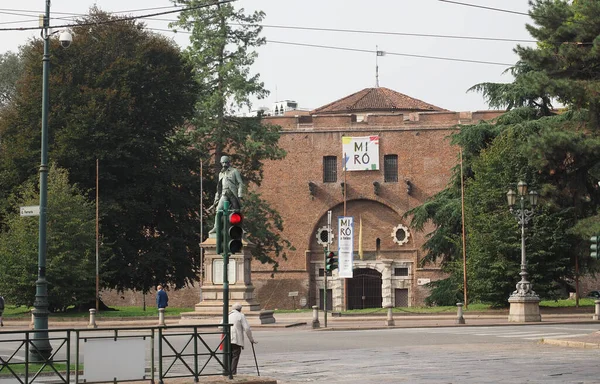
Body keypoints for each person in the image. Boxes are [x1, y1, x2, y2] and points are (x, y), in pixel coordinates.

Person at [209, 155, 244, 234]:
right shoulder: (221, 174)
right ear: (221, 163)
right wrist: (216, 199)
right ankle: (216, 227)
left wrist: (240, 194)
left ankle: (240, 228)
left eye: (226, 162)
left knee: (237, 210)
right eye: (223, 163)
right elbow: (219, 188)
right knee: (219, 210)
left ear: (229, 163)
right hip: (224, 194)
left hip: (232, 194)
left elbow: (240, 183)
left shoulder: (234, 171)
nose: (224, 164)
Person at [228, 303, 256, 375]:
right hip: (236, 339)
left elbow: (220, 327)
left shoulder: (228, 315)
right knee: (235, 355)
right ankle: (233, 372)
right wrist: (251, 339)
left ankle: (228, 371)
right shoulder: (241, 315)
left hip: (227, 338)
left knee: (228, 354)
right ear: (240, 309)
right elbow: (247, 328)